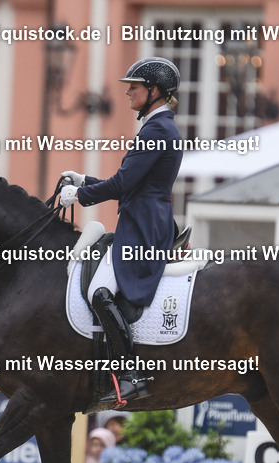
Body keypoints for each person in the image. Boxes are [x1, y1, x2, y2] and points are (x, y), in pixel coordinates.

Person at [57, 56, 183, 404]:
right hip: (143, 219)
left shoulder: (157, 130)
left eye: (135, 86)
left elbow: (124, 182)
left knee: (100, 292)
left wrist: (80, 194)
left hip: (144, 228)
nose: (127, 92)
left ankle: (130, 374)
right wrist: (87, 181)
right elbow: (132, 185)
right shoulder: (159, 127)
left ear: (154, 91)